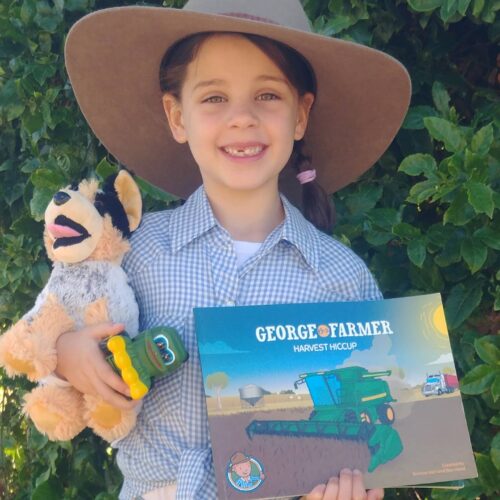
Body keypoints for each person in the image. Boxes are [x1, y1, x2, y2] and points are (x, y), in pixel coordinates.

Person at [56, 1, 411, 499]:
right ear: (176, 116)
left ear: (300, 115)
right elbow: (54, 337)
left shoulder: (343, 279)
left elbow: (375, 458)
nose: (242, 118)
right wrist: (67, 354)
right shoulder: (135, 253)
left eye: (267, 95)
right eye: (214, 98)